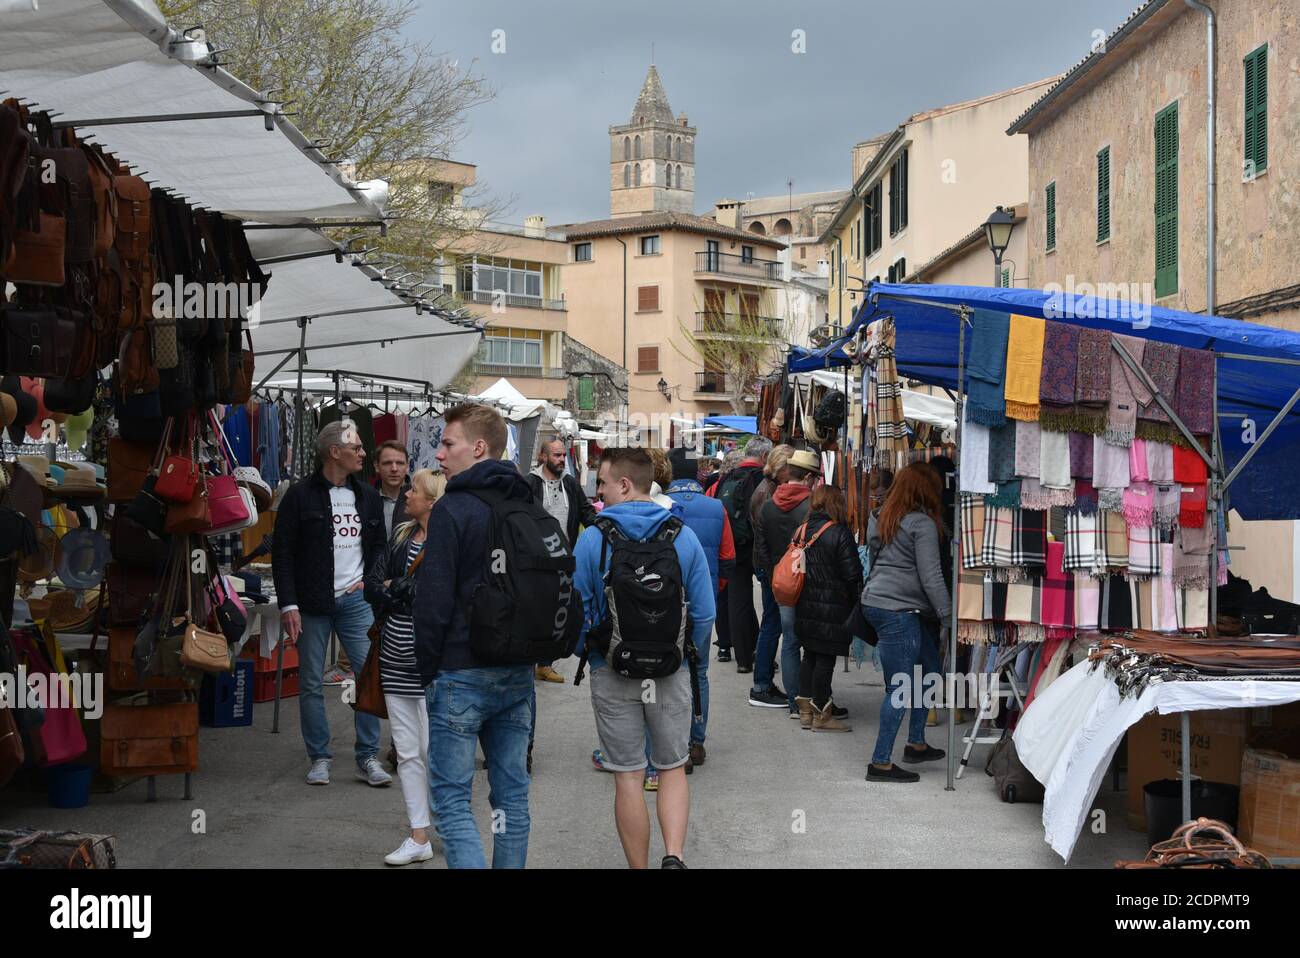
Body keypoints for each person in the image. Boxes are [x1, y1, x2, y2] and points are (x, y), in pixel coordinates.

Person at [573, 448, 715, 868]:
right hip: (670, 671)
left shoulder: (592, 538)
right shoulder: (681, 535)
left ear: (624, 483)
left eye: (601, 483)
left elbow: (577, 609)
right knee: (672, 766)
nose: (597, 492)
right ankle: (673, 856)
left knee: (629, 775)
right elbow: (705, 613)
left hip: (613, 669)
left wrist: (593, 655)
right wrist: (685, 656)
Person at [413, 404, 536, 868]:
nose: (439, 454)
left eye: (448, 443)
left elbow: (433, 603)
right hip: (516, 671)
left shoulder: (452, 509)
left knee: (451, 801)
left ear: (478, 447)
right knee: (511, 799)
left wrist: (428, 672)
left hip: (461, 672)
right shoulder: (526, 502)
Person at [272, 419, 393, 788]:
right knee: (310, 682)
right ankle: (320, 757)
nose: (362, 453)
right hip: (311, 602)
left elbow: (378, 547)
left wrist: (369, 581)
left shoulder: (367, 495)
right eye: (355, 447)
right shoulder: (300, 495)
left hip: (355, 601)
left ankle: (367, 757)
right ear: (333, 452)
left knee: (368, 676)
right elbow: (283, 553)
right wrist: (288, 605)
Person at [364, 467, 446, 865]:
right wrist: (398, 591)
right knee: (409, 752)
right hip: (394, 660)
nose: (406, 494)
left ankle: (445, 821)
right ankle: (418, 834)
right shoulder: (400, 537)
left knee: (435, 749)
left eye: (414, 489)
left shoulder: (448, 543)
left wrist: (396, 591)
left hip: (431, 664)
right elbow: (372, 585)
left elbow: (437, 599)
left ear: (431, 499)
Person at [861, 462, 951, 783]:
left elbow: (875, 559)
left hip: (877, 601)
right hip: (899, 610)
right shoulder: (922, 524)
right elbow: (931, 576)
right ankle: (880, 762)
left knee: (929, 668)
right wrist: (947, 615)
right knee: (900, 688)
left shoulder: (881, 517)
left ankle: (916, 742)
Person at [664, 446, 734, 771]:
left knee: (669, 673)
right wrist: (712, 590)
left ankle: (673, 744)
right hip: (703, 605)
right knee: (700, 673)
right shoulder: (717, 507)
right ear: (698, 474)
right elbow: (727, 558)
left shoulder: (658, 507)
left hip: (663, 604)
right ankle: (696, 741)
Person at [752, 448, 824, 713]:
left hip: (780, 583)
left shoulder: (768, 504)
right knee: (810, 641)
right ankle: (813, 698)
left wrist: (773, 578)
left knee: (790, 640)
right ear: (807, 478)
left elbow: (761, 547)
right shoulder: (812, 507)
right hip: (807, 582)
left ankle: (795, 703)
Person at [525, 438, 598, 684]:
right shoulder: (530, 483)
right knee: (536, 610)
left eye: (562, 455)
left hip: (564, 558)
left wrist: (603, 528)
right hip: (536, 560)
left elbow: (586, 511)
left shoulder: (569, 482)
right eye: (556, 455)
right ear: (543, 457)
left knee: (558, 610)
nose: (561, 459)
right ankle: (530, 661)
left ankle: (545, 663)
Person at [793, 485, 863, 732]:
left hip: (804, 603)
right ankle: (822, 713)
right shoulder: (839, 532)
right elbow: (852, 573)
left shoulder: (803, 529)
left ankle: (804, 710)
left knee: (809, 655)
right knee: (825, 659)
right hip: (831, 607)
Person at [714, 437, 771, 673]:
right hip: (757, 547)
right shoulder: (762, 478)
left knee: (738, 601)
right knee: (770, 603)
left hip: (733, 545)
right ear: (765, 456)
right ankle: (764, 653)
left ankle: (744, 660)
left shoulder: (726, 478)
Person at [749, 444, 793, 708]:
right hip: (770, 567)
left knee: (772, 623)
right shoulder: (767, 493)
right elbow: (767, 537)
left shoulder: (767, 488)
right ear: (780, 467)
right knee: (772, 625)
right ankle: (761, 686)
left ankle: (763, 683)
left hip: (769, 565)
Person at [708, 448, 745, 662]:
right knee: (738, 599)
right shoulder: (743, 485)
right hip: (735, 548)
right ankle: (742, 644)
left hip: (717, 549)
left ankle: (723, 645)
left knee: (722, 600)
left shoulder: (714, 487)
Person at [374, 440, 412, 539]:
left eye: (400, 463)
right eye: (387, 463)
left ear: (407, 466)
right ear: (377, 467)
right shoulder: (366, 499)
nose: (394, 469)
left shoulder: (421, 499)